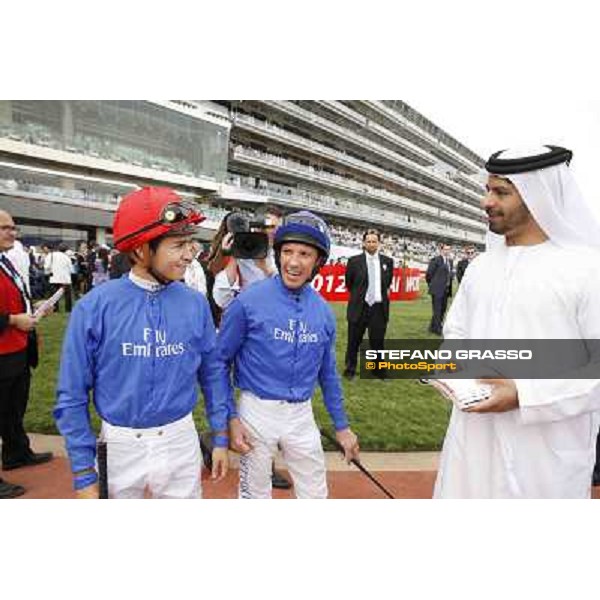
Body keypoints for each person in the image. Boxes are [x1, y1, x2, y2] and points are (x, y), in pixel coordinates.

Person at [434, 145, 600, 499]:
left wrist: (526, 393)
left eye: (501, 192)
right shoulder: (480, 268)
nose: (486, 202)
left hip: (544, 460)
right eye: (487, 190)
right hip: (472, 447)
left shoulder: (587, 270)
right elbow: (456, 333)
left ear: (537, 197)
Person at [54, 187, 229, 499]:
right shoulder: (93, 307)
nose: (190, 254)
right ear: (140, 250)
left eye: (190, 243)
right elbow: (71, 395)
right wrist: (83, 472)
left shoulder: (195, 303)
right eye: (178, 245)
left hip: (180, 440)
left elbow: (213, 373)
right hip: (120, 446)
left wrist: (220, 435)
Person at [216, 211, 360, 499]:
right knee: (254, 496)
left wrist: (342, 427)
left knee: (316, 494)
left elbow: (328, 374)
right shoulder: (247, 301)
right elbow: (219, 363)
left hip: (301, 415)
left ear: (318, 261)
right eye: (287, 252)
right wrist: (229, 419)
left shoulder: (323, 312)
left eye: (304, 254)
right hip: (255, 411)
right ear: (278, 254)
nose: (293, 262)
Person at [0, 209, 53, 498]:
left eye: (13, 227)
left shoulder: (6, 261)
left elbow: (15, 298)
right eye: (5, 228)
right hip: (5, 346)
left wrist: (35, 309)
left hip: (16, 349)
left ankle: (16, 452)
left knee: (13, 408)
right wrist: (10, 320)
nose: (12, 232)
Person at [343, 229, 394, 380]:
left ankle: (378, 370)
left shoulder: (387, 262)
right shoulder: (354, 261)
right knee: (354, 341)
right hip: (359, 307)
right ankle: (350, 370)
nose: (371, 244)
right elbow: (349, 284)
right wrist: (360, 296)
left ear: (379, 243)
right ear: (364, 243)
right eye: (369, 241)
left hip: (379, 308)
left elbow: (387, 284)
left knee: (377, 341)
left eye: (374, 241)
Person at [425, 243, 453, 335]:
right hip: (437, 289)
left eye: (448, 249)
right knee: (437, 310)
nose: (447, 251)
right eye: (445, 249)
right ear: (441, 250)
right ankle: (438, 329)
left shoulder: (450, 261)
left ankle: (432, 327)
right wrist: (432, 285)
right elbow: (429, 274)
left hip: (446, 289)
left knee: (443, 309)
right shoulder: (436, 260)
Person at [45, 243, 73, 312]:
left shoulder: (51, 255)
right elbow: (70, 269)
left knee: (54, 295)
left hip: (54, 277)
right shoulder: (67, 257)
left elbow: (47, 266)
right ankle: (68, 309)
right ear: (66, 250)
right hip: (65, 278)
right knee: (67, 295)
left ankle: (55, 309)